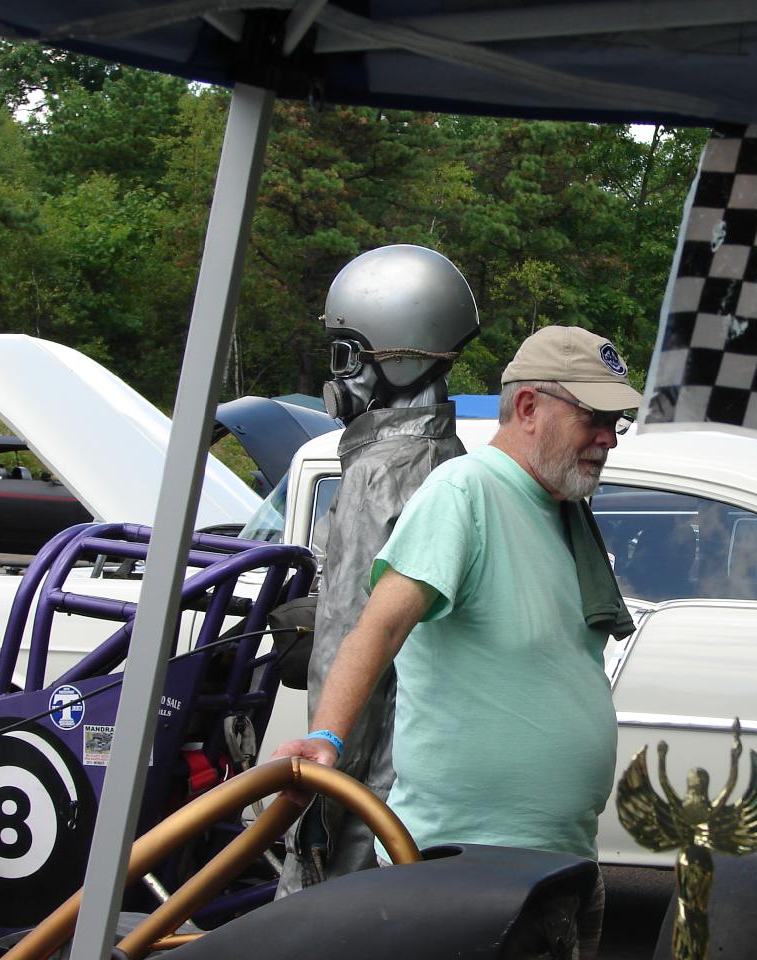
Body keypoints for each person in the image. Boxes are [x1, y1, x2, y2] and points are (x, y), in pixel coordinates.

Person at [271, 324, 641, 958]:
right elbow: (379, 625)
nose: (608, 437)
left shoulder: (561, 509)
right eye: (594, 418)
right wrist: (326, 738)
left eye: (616, 422)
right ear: (529, 406)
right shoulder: (463, 491)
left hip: (558, 862)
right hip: (466, 875)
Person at [276, 244, 481, 895]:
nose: (338, 378)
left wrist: (317, 815)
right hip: (429, 787)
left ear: (399, 357)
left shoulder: (378, 475)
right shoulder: (454, 462)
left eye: (346, 355)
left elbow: (347, 645)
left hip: (370, 802)